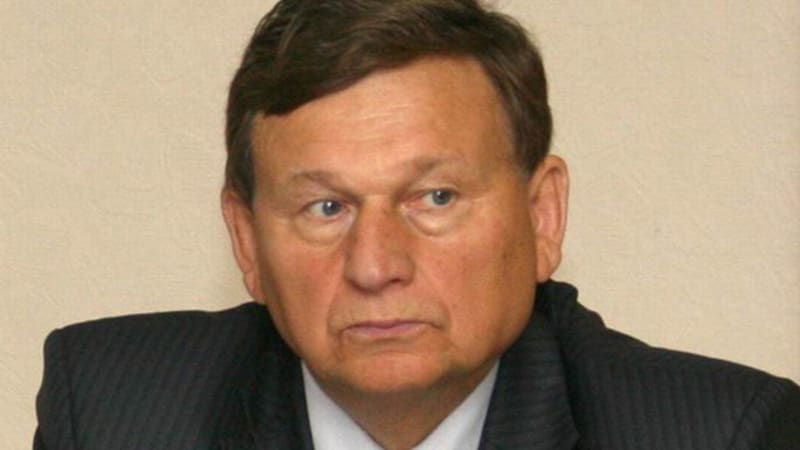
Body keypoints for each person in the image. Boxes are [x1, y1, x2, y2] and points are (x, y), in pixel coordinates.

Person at [33, 1, 799, 449]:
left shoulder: (713, 434)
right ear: (247, 241)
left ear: (542, 217)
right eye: (326, 208)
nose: (376, 265)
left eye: (434, 198)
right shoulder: (112, 414)